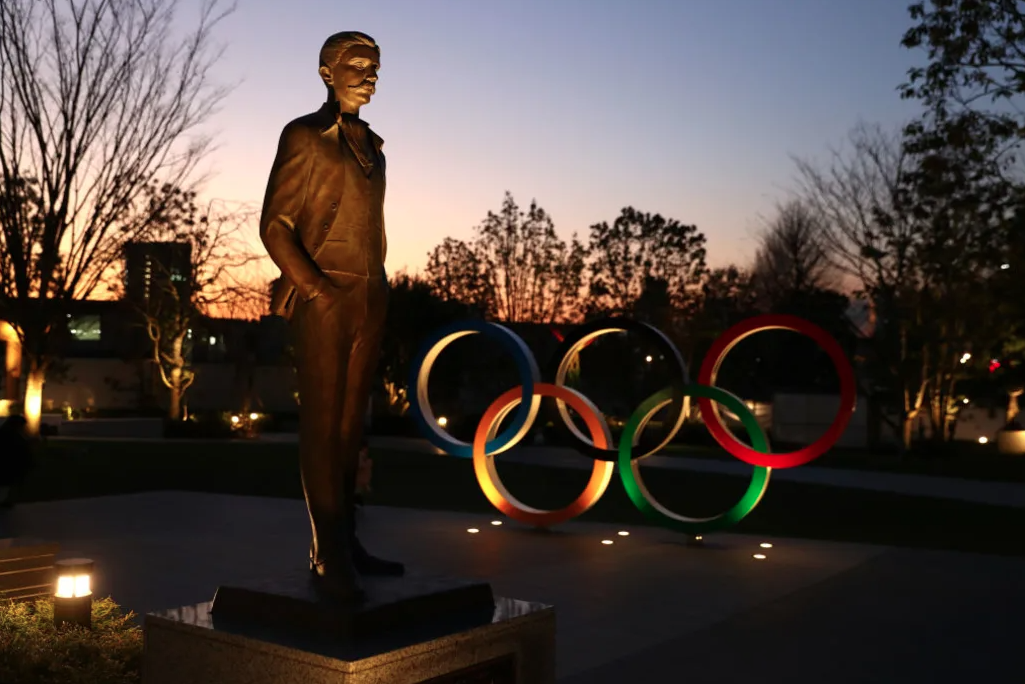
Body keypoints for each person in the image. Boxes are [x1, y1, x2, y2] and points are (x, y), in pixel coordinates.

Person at [261, 30, 402, 601]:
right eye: (358, 64)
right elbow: (276, 223)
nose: (370, 74)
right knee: (322, 427)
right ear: (327, 71)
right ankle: (326, 553)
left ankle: (347, 541)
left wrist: (376, 292)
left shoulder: (377, 149)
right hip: (326, 294)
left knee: (351, 429)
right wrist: (314, 289)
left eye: (376, 65)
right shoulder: (304, 136)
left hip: (372, 296)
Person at [0, 416, 33, 508]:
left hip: (10, 466)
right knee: (4, 485)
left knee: (5, 486)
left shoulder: (9, 433)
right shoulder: (11, 436)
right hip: (7, 466)